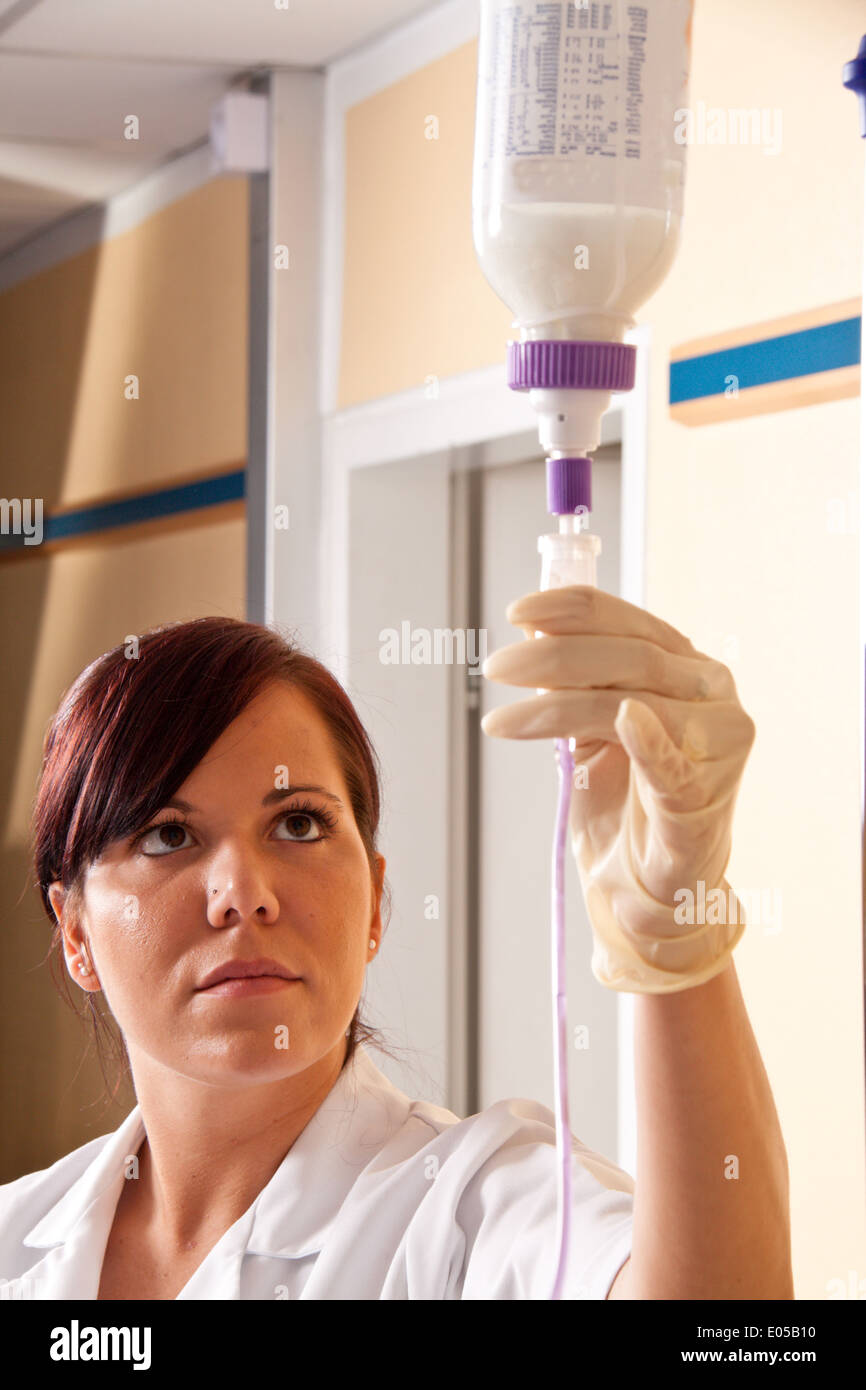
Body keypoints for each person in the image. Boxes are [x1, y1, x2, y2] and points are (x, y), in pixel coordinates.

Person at [0, 593, 793, 1299]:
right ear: (76, 932)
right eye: (169, 834)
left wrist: (676, 938)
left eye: (298, 823)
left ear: (377, 900)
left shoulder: (472, 1211)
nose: (244, 893)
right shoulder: (14, 1241)